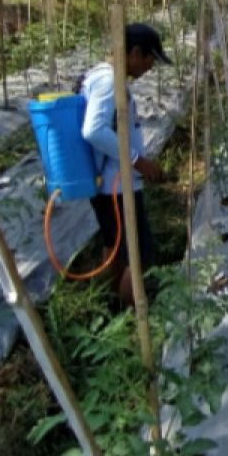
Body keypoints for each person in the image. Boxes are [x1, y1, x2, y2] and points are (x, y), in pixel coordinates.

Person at [79, 22, 172, 306]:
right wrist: (137, 161)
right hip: (116, 185)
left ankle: (109, 308)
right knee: (140, 256)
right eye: (149, 59)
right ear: (134, 52)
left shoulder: (99, 76)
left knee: (114, 246)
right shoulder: (110, 81)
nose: (150, 67)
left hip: (104, 183)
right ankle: (132, 318)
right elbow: (93, 130)